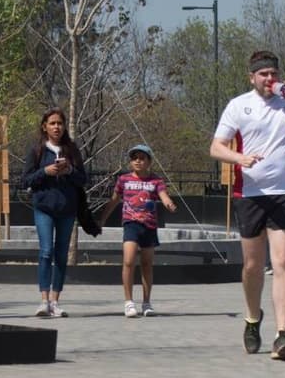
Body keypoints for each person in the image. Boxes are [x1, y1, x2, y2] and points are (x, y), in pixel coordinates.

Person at [209, 50, 285, 360]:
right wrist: (239, 158)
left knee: (283, 262)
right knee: (253, 265)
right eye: (263, 74)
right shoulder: (239, 105)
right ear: (252, 77)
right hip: (249, 194)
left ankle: (282, 334)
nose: (270, 79)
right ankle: (252, 319)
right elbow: (216, 148)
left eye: (273, 74)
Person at [21, 108, 87, 318]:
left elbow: (83, 179)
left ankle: (55, 301)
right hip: (44, 208)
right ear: (44, 127)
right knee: (46, 251)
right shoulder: (37, 150)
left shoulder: (72, 150)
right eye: (52, 123)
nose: (56, 127)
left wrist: (69, 170)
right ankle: (43, 301)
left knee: (61, 254)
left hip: (67, 210)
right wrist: (45, 171)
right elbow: (25, 180)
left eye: (59, 123)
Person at [97, 144, 177, 318]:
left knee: (147, 264)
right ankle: (129, 302)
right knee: (128, 261)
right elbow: (114, 200)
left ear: (149, 161)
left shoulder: (156, 180)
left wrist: (169, 203)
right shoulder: (123, 180)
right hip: (131, 223)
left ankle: (146, 303)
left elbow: (163, 196)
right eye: (134, 158)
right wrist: (102, 219)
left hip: (149, 226)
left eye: (142, 158)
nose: (138, 161)